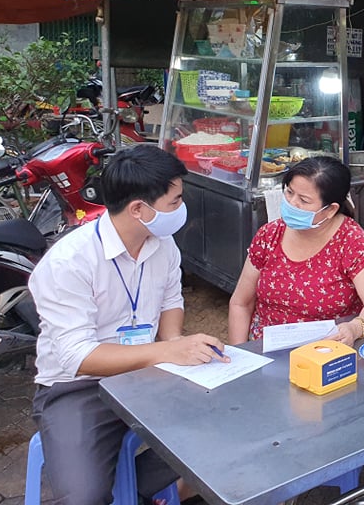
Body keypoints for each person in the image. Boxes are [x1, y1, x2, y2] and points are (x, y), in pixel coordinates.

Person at [29, 144, 227, 505]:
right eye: (175, 201)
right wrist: (166, 350)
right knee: (84, 496)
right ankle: (121, 486)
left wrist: (178, 349)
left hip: (149, 370)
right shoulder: (68, 262)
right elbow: (78, 358)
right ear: (139, 209)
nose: (181, 209)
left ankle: (137, 490)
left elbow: (171, 303)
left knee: (230, 422)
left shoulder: (162, 245)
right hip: (78, 388)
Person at [228, 156, 364, 345]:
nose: (292, 203)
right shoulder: (270, 235)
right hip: (265, 349)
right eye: (289, 192)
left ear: (331, 210)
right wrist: (240, 354)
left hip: (324, 352)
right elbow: (240, 303)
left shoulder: (352, 243)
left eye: (304, 200)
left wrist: (355, 328)